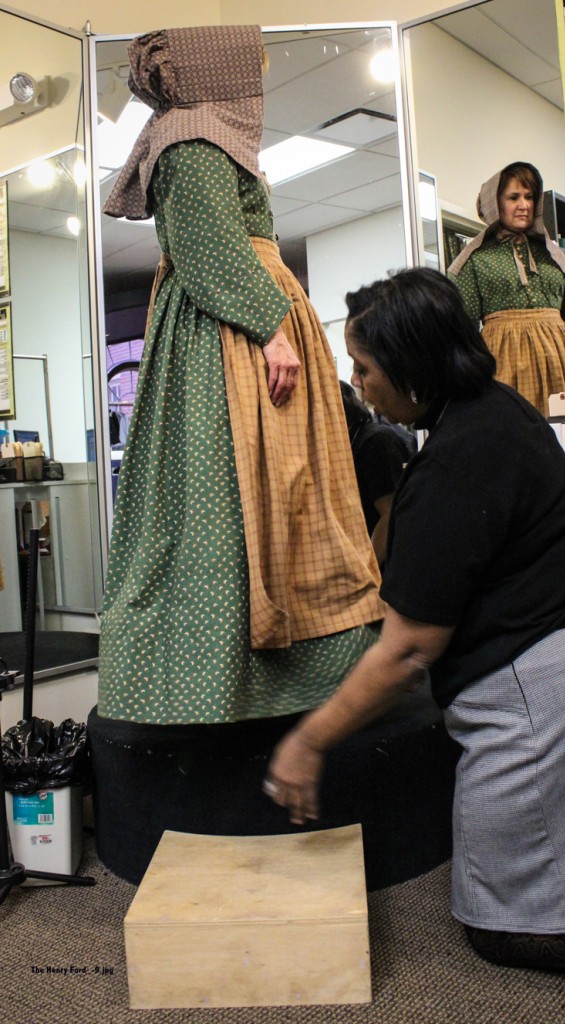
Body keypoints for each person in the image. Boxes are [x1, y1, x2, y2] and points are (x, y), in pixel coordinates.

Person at [264, 267, 565, 975]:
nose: (358, 383)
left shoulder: (453, 463)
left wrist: (307, 742)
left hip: (541, 690)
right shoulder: (497, 409)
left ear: (412, 366)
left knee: (501, 924)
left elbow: (407, 652)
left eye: (365, 368)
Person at [97, 25, 383, 726]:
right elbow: (208, 245)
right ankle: (227, 677)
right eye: (248, 65)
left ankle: (299, 659)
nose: (256, 79)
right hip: (229, 336)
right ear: (212, 69)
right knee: (240, 490)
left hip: (240, 322)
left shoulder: (203, 139)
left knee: (281, 491)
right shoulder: (191, 139)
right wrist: (269, 330)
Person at [448, 160, 565, 415]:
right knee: (513, 430)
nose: (524, 205)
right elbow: (462, 330)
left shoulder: (555, 256)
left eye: (529, 197)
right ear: (495, 204)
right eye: (514, 197)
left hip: (562, 364)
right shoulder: (475, 260)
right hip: (505, 366)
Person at [339, 380, 415, 566]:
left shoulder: (375, 441)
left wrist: (367, 569)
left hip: (387, 565)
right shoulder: (354, 441)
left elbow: (389, 515)